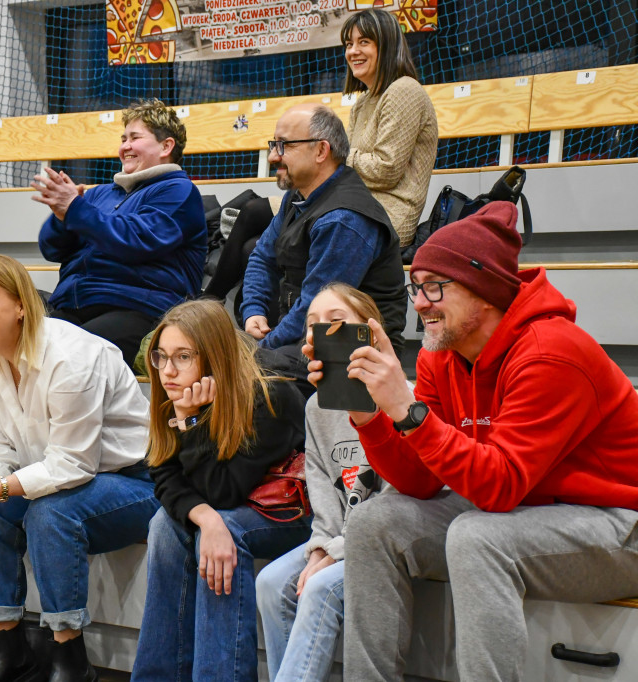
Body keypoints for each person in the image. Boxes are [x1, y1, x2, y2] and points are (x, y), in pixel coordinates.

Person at [334, 202, 638, 681]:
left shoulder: (551, 353)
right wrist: (370, 414)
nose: (420, 303)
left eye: (435, 286)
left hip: (618, 525)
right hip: (527, 510)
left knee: (478, 538)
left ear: (486, 289)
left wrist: (408, 413)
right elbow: (419, 482)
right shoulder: (443, 354)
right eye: (417, 287)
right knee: (375, 521)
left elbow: (499, 488)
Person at [0, 254, 159, 682]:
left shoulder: (71, 358)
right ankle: (8, 647)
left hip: (136, 483)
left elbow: (73, 464)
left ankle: (69, 656)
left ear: (20, 305)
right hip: (62, 476)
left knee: (49, 512)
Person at [131, 300, 310, 682]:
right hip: (229, 505)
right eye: (161, 357)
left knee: (226, 529)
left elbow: (225, 490)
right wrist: (204, 517)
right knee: (165, 524)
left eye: (182, 357)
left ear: (213, 358)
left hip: (290, 513)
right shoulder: (176, 391)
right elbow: (163, 476)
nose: (168, 371)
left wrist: (190, 424)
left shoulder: (270, 396)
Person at [255, 283, 394, 682]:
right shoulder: (317, 406)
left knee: (318, 589)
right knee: (270, 584)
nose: (323, 333)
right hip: (337, 537)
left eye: (337, 323)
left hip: (378, 541)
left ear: (369, 329)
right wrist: (320, 549)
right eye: (313, 325)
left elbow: (395, 502)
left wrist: (333, 554)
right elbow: (319, 484)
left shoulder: (399, 396)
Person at [240, 103, 406, 392]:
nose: (272, 156)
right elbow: (262, 256)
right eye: (273, 144)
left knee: (242, 376)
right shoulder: (299, 195)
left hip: (353, 351)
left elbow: (313, 308)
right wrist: (254, 309)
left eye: (283, 146)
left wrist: (260, 348)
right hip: (306, 338)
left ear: (321, 151)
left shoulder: (343, 219)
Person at [35, 98, 206, 363]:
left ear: (166, 146)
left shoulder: (179, 192)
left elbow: (135, 240)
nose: (124, 146)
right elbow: (52, 249)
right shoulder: (100, 194)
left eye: (135, 137)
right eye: (123, 138)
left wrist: (76, 210)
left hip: (141, 311)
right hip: (73, 304)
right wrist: (61, 218)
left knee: (68, 358)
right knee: (18, 339)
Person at [342, 9, 438, 247]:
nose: (353, 51)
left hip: (388, 221)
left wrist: (338, 156)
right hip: (354, 208)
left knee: (261, 226)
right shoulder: (362, 102)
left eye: (364, 42)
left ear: (386, 46)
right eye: (349, 43)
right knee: (253, 212)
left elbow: (386, 171)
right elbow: (348, 168)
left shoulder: (404, 90)